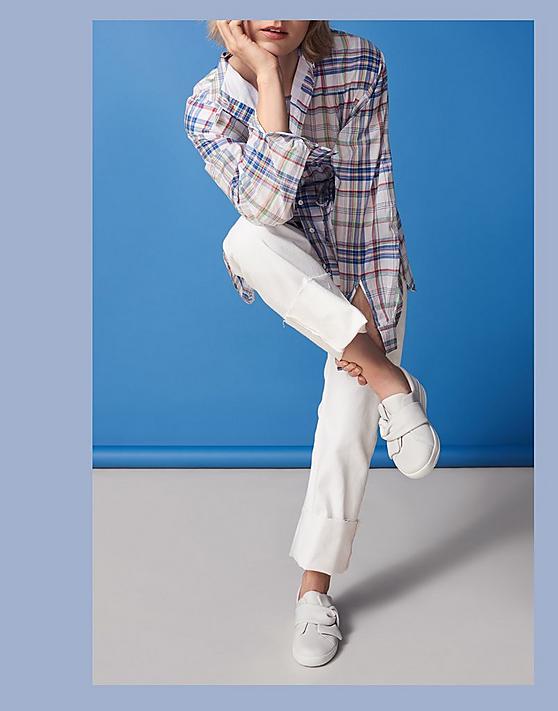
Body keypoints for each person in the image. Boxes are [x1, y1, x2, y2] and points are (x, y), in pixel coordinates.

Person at [184, 19, 440, 667]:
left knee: (343, 423)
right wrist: (268, 76)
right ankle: (390, 381)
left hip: (362, 256)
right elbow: (266, 212)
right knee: (242, 240)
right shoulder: (207, 106)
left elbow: (369, 192)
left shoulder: (360, 64)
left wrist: (366, 305)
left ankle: (313, 593)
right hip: (286, 261)